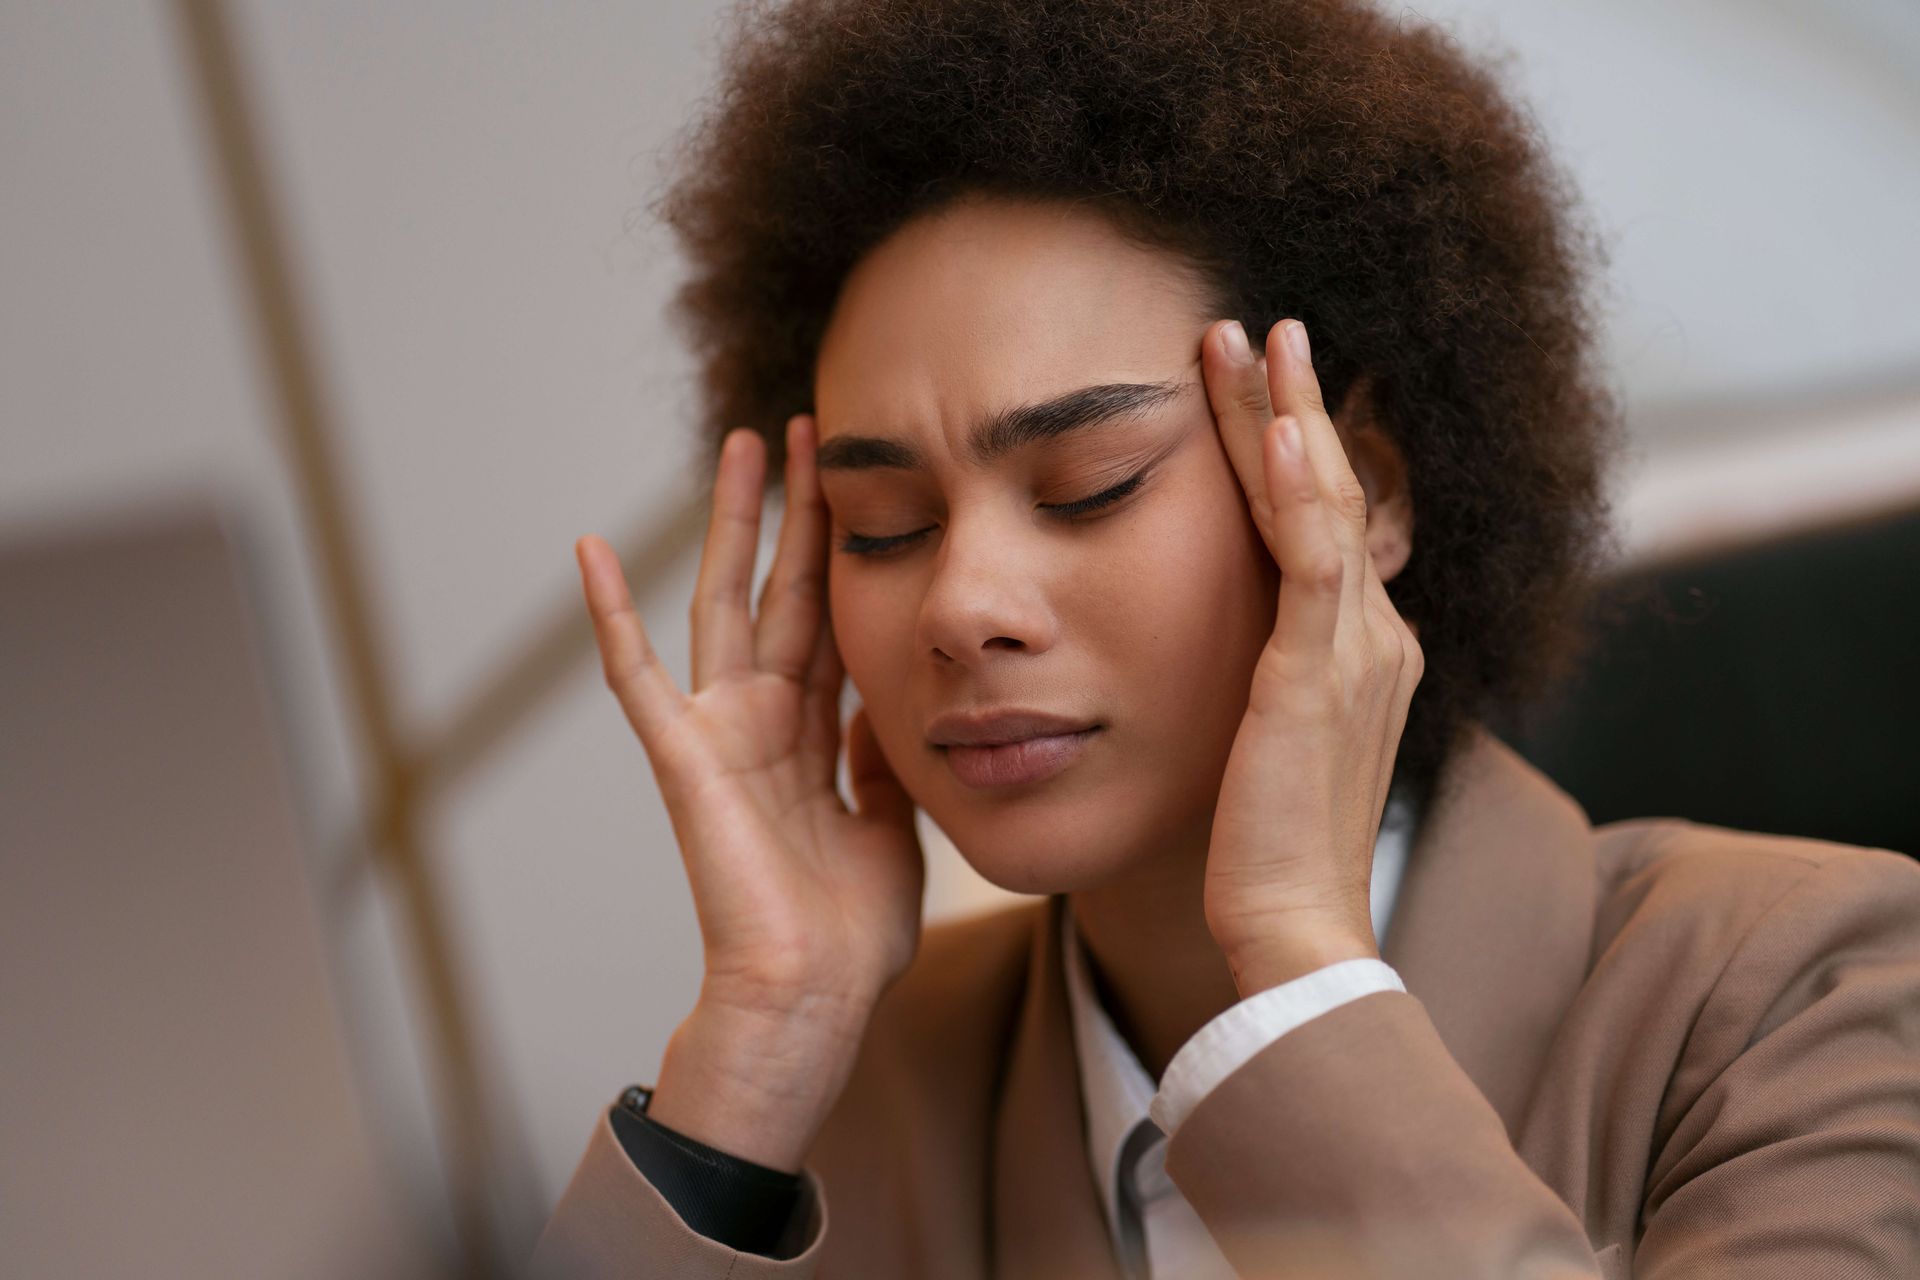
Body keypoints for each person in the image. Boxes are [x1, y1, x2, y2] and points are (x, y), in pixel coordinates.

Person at [531, 1, 1920, 1275]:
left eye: (1087, 486)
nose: (959, 608)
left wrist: (1303, 980)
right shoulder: (836, 1101)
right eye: (884, 523)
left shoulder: (1803, 995)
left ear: (1356, 488)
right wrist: (763, 1042)